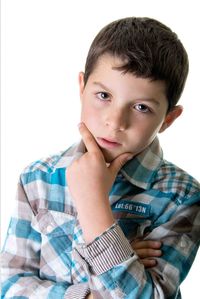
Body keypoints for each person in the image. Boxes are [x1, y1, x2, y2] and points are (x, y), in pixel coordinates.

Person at [1, 17, 200, 299]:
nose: (115, 121)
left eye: (142, 107)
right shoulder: (37, 179)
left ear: (168, 118)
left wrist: (93, 206)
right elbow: (8, 284)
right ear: (82, 87)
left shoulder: (181, 197)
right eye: (104, 95)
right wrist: (91, 292)